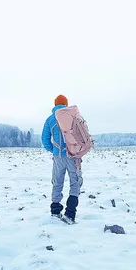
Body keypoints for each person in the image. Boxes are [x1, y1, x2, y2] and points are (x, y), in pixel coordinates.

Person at [41, 94, 83, 223]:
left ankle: (55, 211)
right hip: (73, 155)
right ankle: (70, 214)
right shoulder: (74, 116)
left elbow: (45, 140)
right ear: (66, 104)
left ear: (55, 104)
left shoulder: (50, 119)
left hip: (58, 156)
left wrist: (54, 151)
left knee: (57, 182)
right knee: (75, 183)